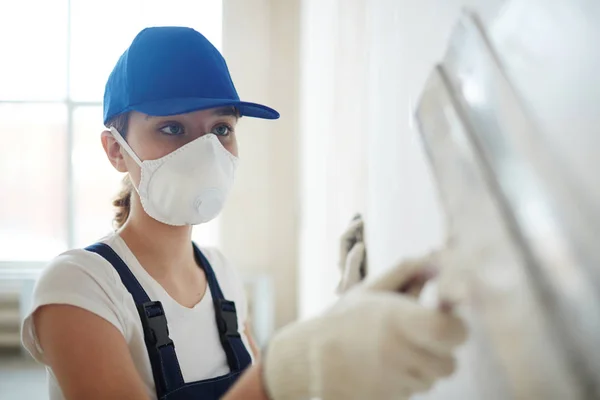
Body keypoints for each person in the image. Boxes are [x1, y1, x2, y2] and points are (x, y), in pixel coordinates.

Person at [21, 26, 466, 400]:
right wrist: (287, 372)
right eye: (172, 128)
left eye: (221, 129)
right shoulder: (78, 285)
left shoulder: (222, 275)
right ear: (116, 150)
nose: (205, 152)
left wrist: (344, 327)